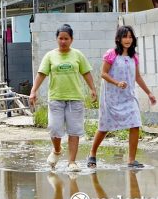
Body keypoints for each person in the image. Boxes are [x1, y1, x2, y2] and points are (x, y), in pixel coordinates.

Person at [29, 24, 97, 172]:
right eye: (60, 38)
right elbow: (41, 74)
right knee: (54, 129)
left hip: (75, 98)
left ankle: (72, 162)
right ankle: (57, 150)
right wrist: (33, 91)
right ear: (56, 39)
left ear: (71, 39)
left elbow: (86, 73)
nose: (63, 41)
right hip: (56, 98)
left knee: (74, 131)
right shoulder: (50, 56)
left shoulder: (78, 55)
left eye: (66, 38)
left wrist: (92, 88)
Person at [87, 25, 156, 169]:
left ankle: (131, 159)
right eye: (125, 36)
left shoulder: (134, 57)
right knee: (104, 126)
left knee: (135, 124)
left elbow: (137, 77)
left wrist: (149, 93)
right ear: (118, 39)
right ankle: (92, 152)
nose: (128, 40)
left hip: (129, 97)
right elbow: (103, 73)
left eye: (130, 37)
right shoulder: (111, 54)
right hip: (111, 98)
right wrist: (117, 83)